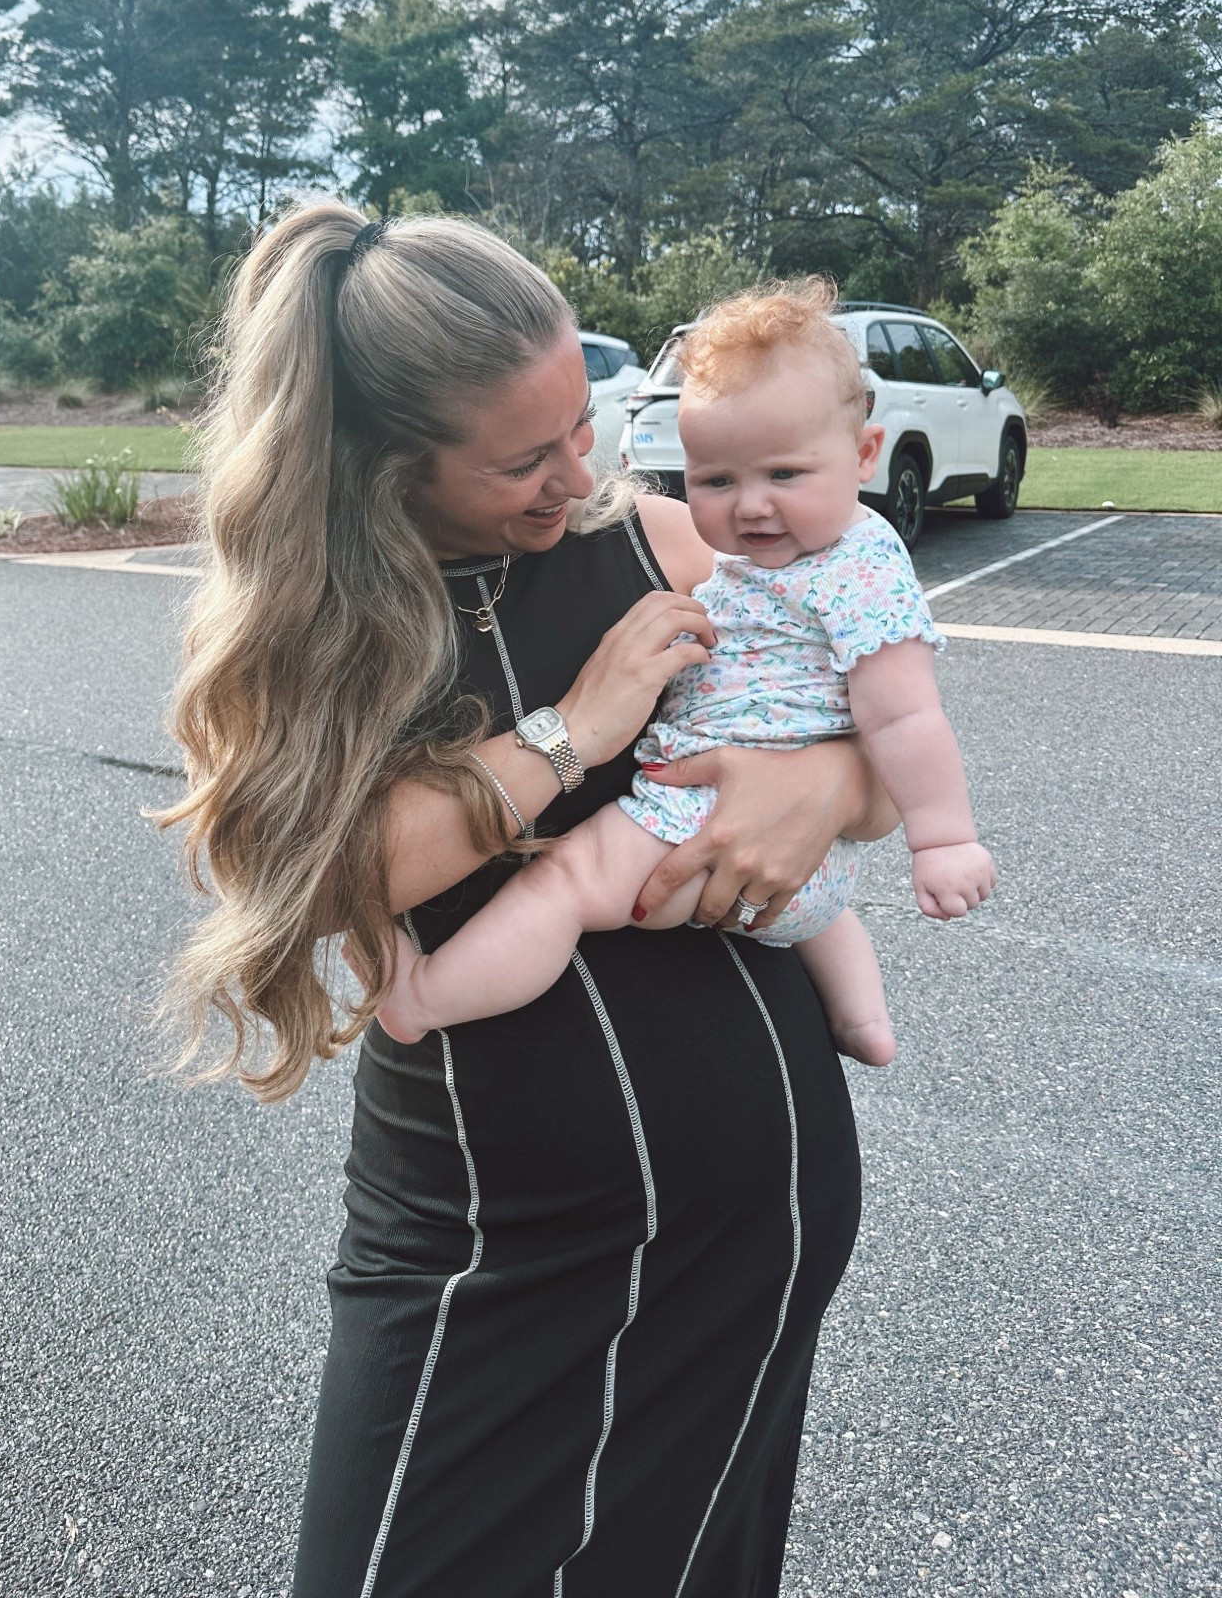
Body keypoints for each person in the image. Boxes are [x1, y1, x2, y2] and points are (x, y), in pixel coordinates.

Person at [156, 203, 901, 1598]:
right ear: (383, 463)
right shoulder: (315, 622)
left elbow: (872, 719)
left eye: (585, 422)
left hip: (750, 1206)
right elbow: (321, 871)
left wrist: (833, 781)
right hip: (482, 1231)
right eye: (525, 457)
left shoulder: (665, 541)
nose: (582, 473)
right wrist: (577, 725)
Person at [372, 281, 996, 1071]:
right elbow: (310, 886)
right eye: (717, 481)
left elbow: (903, 725)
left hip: (696, 837)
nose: (753, 509)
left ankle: (422, 997)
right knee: (831, 922)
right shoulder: (784, 558)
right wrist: (570, 732)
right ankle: (863, 1019)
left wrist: (912, 823)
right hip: (797, 895)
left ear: (866, 454)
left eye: (582, 429)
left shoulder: (719, 554)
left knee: (568, 882)